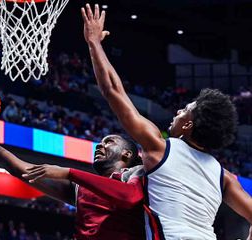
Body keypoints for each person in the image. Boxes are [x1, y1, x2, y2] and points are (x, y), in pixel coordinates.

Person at [80, 3, 252, 239]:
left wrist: (94, 43)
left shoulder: (159, 146)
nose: (178, 111)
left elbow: (112, 90)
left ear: (189, 125)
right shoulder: (224, 176)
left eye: (185, 111)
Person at [0, 113, 145, 239]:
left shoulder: (138, 174)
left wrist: (69, 173)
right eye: (100, 142)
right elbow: (21, 170)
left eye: (109, 142)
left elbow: (130, 196)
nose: (100, 145)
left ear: (127, 154)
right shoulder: (80, 188)